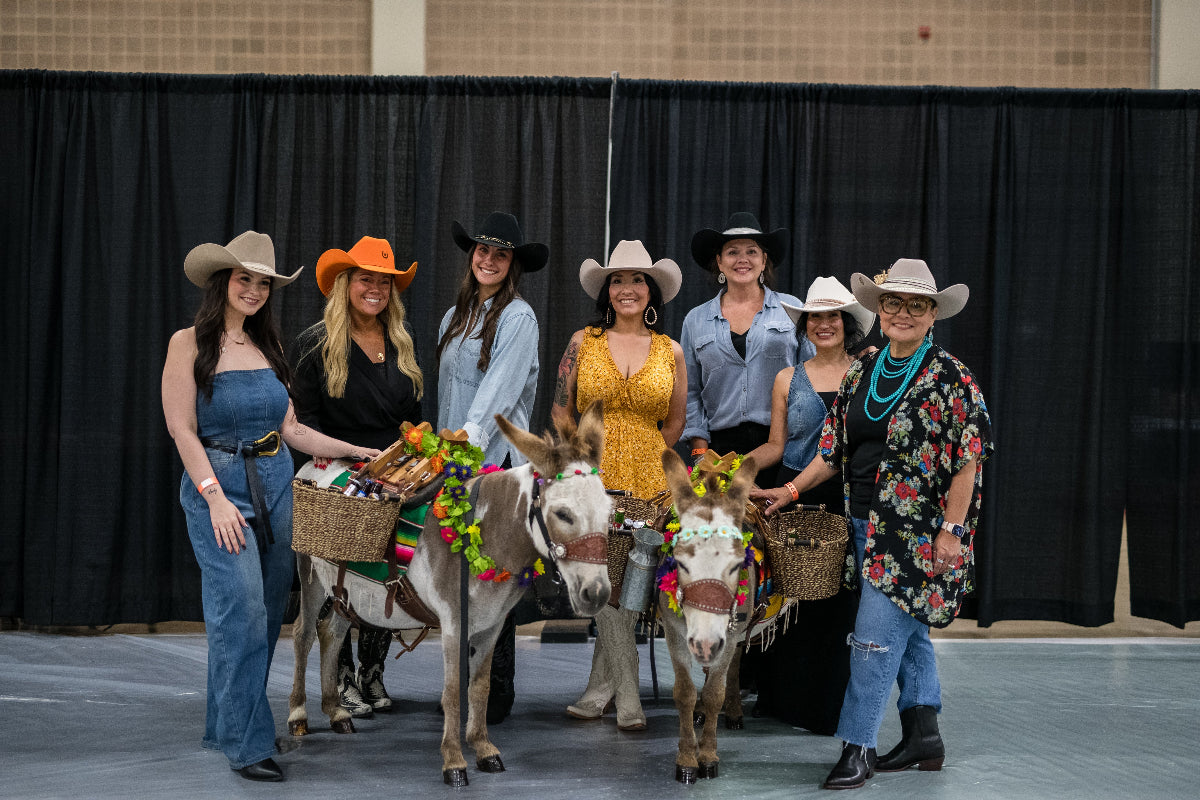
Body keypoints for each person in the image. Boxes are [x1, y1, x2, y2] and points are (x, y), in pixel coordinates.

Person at [751, 258, 992, 790]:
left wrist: (952, 531)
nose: (903, 313)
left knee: (872, 641)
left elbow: (968, 462)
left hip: (919, 534)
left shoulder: (952, 378)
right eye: (893, 303)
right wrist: (789, 490)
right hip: (862, 523)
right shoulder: (864, 370)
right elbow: (832, 451)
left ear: (933, 315)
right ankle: (924, 734)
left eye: (916, 305)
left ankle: (856, 745)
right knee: (909, 635)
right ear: (880, 310)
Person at [162, 231, 381, 782]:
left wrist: (353, 451)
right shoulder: (186, 343)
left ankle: (229, 723)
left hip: (277, 484)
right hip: (220, 487)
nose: (255, 290)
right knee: (240, 609)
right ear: (222, 282)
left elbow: (289, 429)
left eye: (264, 283)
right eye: (245, 279)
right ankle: (249, 744)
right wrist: (214, 499)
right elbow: (181, 430)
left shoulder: (269, 347)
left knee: (263, 616)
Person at [551, 239, 686, 731]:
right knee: (602, 582)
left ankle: (601, 688)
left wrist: (644, 453)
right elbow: (561, 411)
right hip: (595, 480)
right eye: (618, 280)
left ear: (651, 291)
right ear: (606, 291)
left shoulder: (670, 350)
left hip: (651, 480)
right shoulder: (581, 342)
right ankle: (623, 691)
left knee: (635, 584)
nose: (627, 288)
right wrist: (581, 465)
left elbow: (674, 423)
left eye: (636, 280)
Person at [292, 235, 422, 718]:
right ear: (346, 284)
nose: (376, 290)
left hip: (393, 473)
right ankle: (339, 675)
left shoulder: (401, 344)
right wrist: (350, 464)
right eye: (366, 279)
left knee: (392, 571)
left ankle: (372, 670)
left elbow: (413, 417)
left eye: (385, 282)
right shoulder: (315, 344)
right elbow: (303, 421)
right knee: (342, 570)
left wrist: (404, 463)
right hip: (337, 469)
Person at [742, 276, 874, 734]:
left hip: (843, 497)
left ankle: (827, 707)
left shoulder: (868, 372)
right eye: (815, 316)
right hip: (790, 496)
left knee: (839, 604)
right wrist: (734, 467)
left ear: (848, 322)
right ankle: (783, 700)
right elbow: (776, 445)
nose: (823, 324)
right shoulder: (787, 378)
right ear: (805, 326)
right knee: (788, 600)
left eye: (832, 315)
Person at [436, 211, 548, 724]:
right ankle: (462, 683)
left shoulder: (518, 317)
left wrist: (463, 449)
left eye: (500, 254)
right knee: (459, 572)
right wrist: (441, 453)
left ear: (512, 265)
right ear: (471, 255)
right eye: (482, 250)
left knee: (496, 574)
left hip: (495, 466)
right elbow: (448, 398)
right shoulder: (455, 317)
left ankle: (494, 690)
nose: (488, 259)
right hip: (457, 459)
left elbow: (496, 395)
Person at [680, 212, 815, 491]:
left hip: (785, 447)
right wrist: (700, 453)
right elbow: (689, 392)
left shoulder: (793, 309)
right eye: (732, 252)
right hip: (718, 451)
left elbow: (812, 373)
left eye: (752, 251)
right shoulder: (695, 320)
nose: (743, 259)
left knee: (776, 531)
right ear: (719, 261)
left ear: (764, 260)